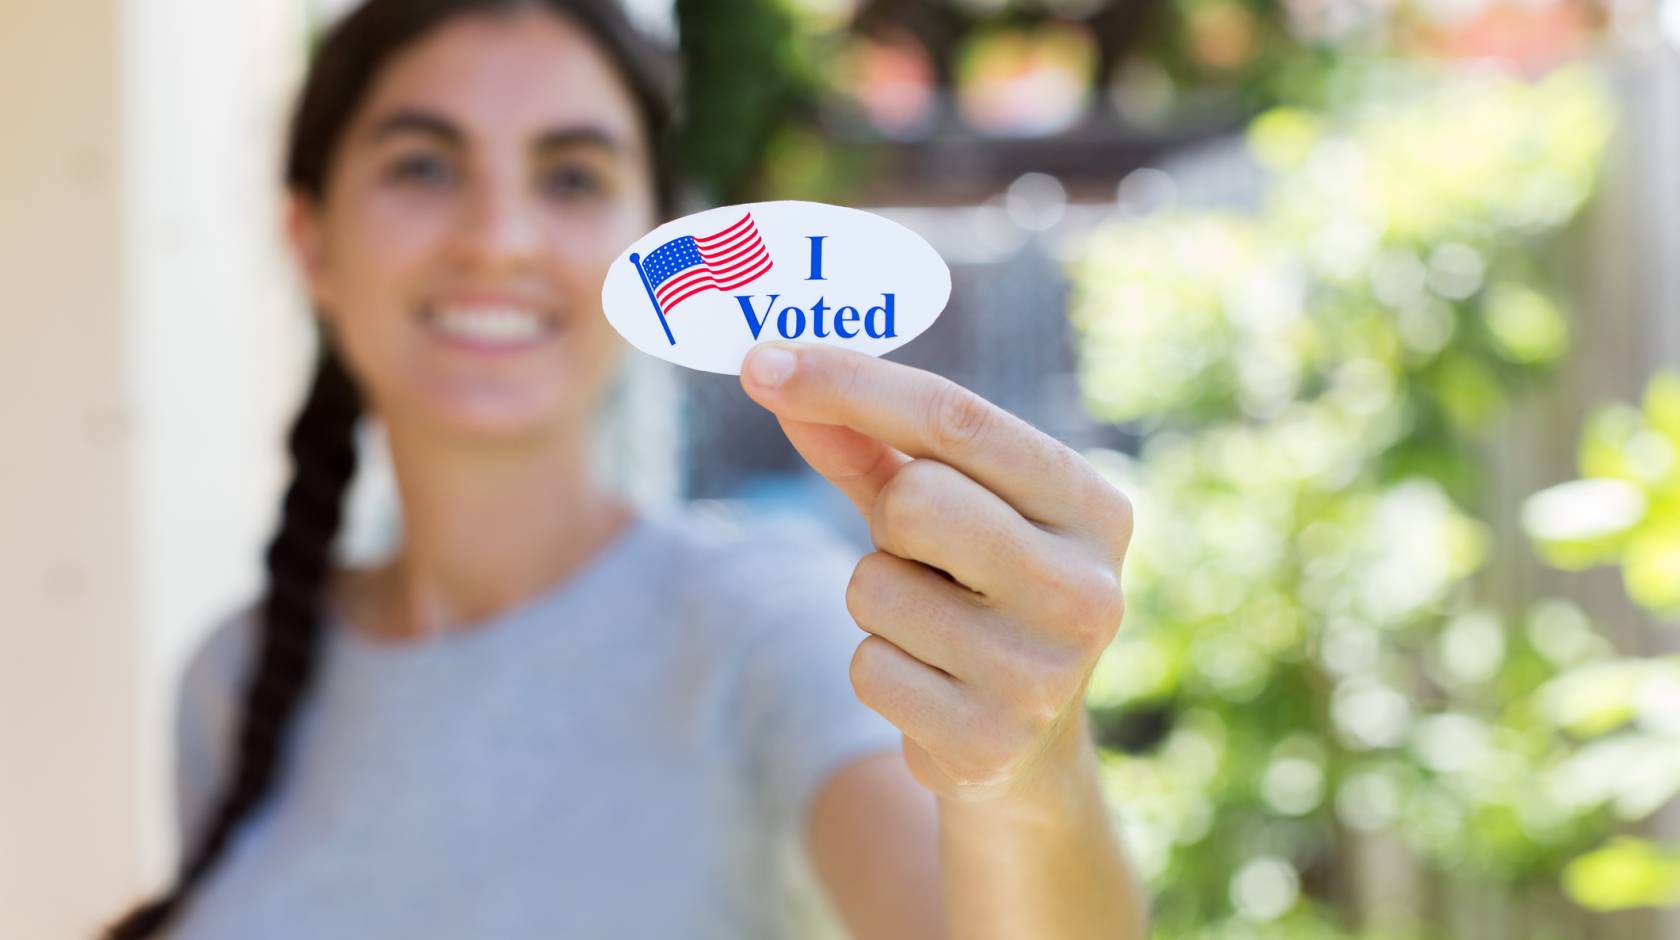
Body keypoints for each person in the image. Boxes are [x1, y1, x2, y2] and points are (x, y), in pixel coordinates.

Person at [103, 1, 1147, 937]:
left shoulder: (766, 622)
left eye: (571, 175)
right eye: (422, 164)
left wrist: (1024, 773)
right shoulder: (229, 681)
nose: (499, 240)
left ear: (653, 243)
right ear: (312, 241)